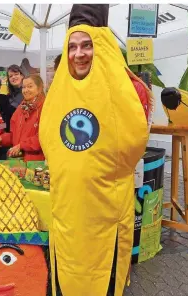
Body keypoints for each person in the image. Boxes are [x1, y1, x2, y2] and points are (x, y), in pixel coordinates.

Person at [39, 4, 152, 296]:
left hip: (105, 215)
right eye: (73, 46)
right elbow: (49, 139)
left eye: (87, 45)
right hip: (67, 214)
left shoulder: (127, 89)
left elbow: (133, 143)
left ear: (101, 46)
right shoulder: (59, 93)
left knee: (104, 281)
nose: (79, 54)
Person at [0, 75, 45, 162]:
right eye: (24, 87)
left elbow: (43, 137)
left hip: (37, 162)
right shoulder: (21, 108)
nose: (25, 90)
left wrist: (21, 145)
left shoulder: (45, 108)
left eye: (30, 86)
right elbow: (14, 135)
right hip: (18, 161)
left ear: (39, 88)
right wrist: (1, 139)